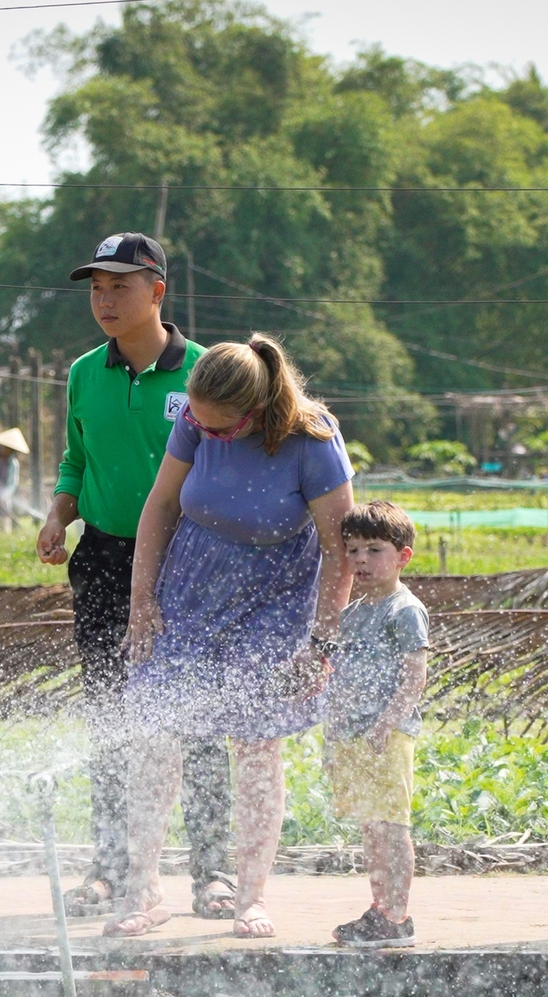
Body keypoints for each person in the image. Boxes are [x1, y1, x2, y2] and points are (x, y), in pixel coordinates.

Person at [109, 335, 355, 939]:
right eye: (199, 421)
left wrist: (320, 643)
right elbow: (161, 506)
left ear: (259, 410)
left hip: (275, 604)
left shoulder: (312, 440)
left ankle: (252, 897)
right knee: (155, 736)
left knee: (254, 747)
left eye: (221, 429)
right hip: (189, 594)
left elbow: (337, 550)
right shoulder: (196, 421)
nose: (205, 433)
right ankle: (143, 890)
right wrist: (142, 602)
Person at [37, 233, 237, 921]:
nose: (104, 300)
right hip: (105, 560)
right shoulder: (84, 372)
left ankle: (213, 873)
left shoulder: (208, 372)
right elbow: (75, 460)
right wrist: (58, 514)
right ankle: (110, 869)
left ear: (156, 292)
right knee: (112, 717)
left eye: (119, 286)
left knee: (201, 716)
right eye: (96, 287)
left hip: (192, 563)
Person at [325, 501, 430, 949]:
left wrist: (386, 723)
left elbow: (415, 675)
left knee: (392, 827)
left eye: (374, 550)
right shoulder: (351, 614)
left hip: (387, 736)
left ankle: (397, 916)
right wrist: (332, 733)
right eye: (353, 550)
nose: (361, 560)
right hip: (354, 736)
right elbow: (339, 678)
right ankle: (378, 907)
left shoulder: (403, 610)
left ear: (402, 556)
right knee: (372, 827)